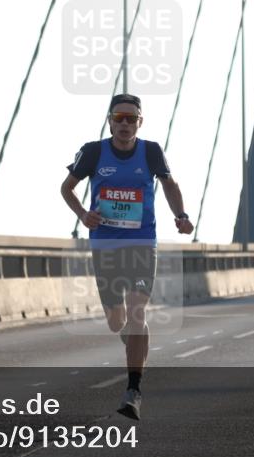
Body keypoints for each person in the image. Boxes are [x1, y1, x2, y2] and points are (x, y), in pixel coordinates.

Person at [60, 94, 193, 420]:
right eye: (118, 117)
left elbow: (170, 185)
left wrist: (181, 215)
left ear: (140, 122)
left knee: (137, 311)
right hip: (104, 245)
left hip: (141, 244)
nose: (124, 124)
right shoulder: (93, 152)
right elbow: (67, 188)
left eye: (130, 119)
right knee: (117, 321)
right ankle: (128, 335)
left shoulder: (151, 152)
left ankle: (133, 390)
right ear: (110, 120)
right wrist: (83, 215)